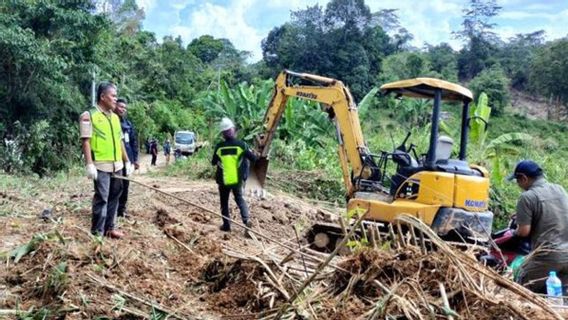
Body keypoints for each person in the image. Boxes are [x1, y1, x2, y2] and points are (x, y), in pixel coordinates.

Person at [79, 82, 133, 239]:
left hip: (117, 165)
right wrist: (89, 164)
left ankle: (110, 227)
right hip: (101, 165)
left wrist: (127, 161)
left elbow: (120, 141)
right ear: (103, 97)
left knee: (115, 196)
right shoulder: (89, 116)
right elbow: (86, 141)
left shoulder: (115, 118)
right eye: (113, 96)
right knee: (102, 197)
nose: (115, 99)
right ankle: (98, 232)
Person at [509, 160, 568, 293]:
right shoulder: (559, 189)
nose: (518, 185)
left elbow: (523, 231)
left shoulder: (528, 197)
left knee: (517, 288)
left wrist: (514, 232)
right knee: (556, 297)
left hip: (549, 255)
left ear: (523, 178)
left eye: (517, 181)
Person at [211, 117, 257, 234]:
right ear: (234, 130)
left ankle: (226, 225)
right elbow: (253, 159)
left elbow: (213, 162)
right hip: (237, 180)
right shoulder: (241, 145)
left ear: (222, 134)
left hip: (223, 180)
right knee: (240, 199)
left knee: (224, 202)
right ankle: (246, 221)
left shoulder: (219, 147)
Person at [115, 98, 139, 218]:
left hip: (127, 160)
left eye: (124, 108)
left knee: (125, 185)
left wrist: (135, 160)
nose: (122, 109)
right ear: (115, 106)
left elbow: (133, 142)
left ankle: (121, 210)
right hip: (115, 159)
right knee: (115, 186)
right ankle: (112, 210)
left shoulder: (128, 124)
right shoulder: (112, 122)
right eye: (120, 107)